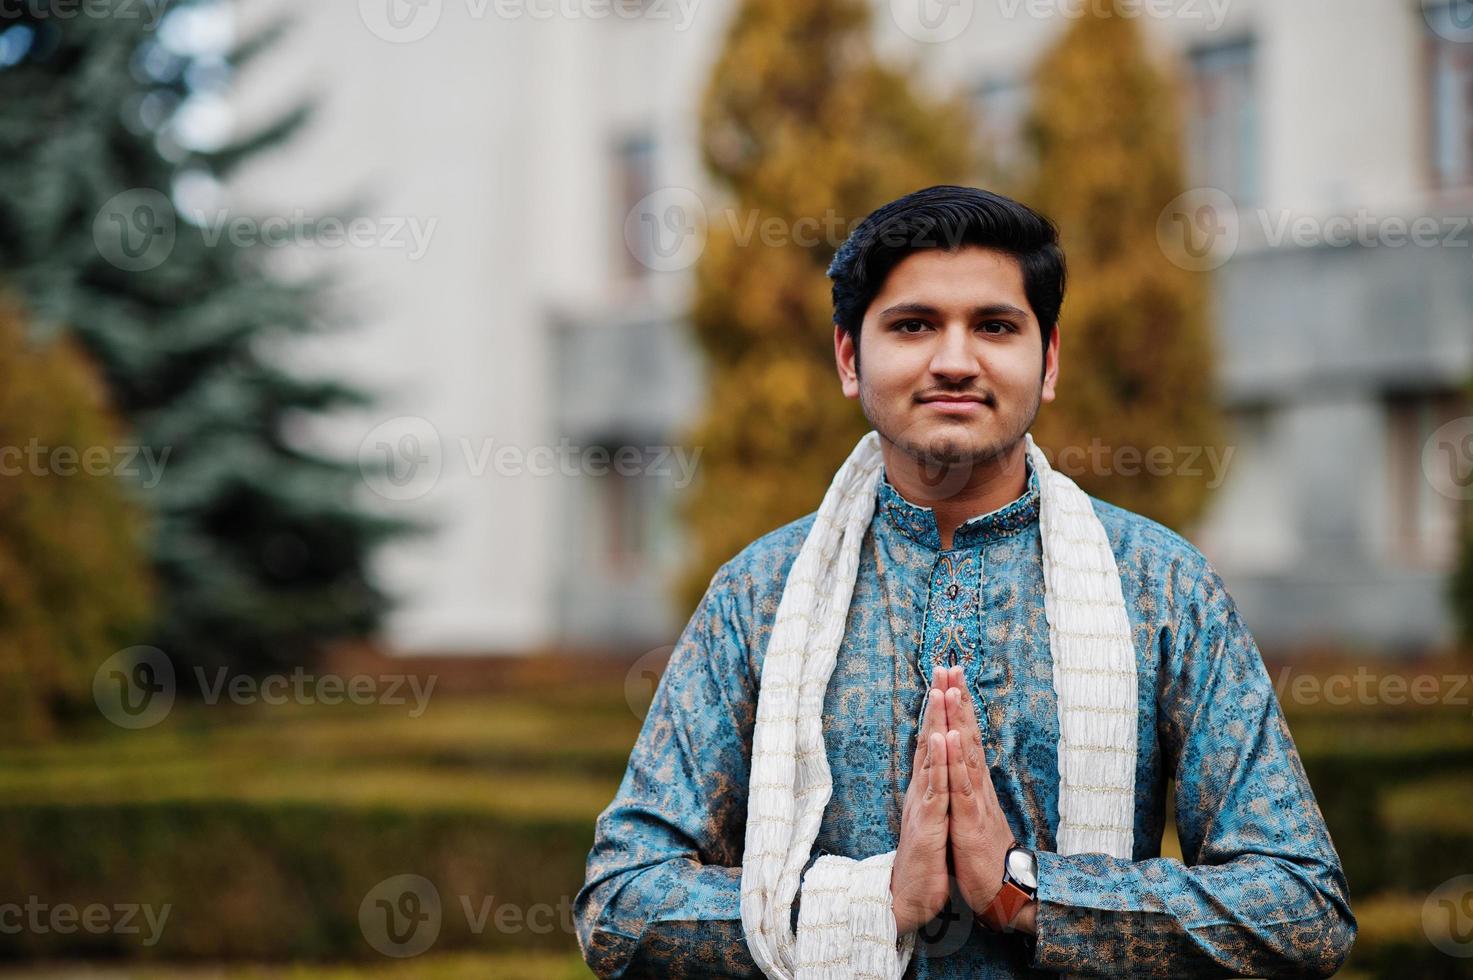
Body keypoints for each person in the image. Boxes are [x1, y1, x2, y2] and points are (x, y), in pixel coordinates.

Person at [573, 185, 1357, 978]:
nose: (954, 360)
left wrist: (1029, 893)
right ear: (850, 357)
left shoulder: (1159, 586)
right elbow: (619, 906)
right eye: (912, 325)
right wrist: (872, 901)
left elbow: (1301, 906)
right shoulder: (759, 596)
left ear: (1046, 362)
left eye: (994, 326)